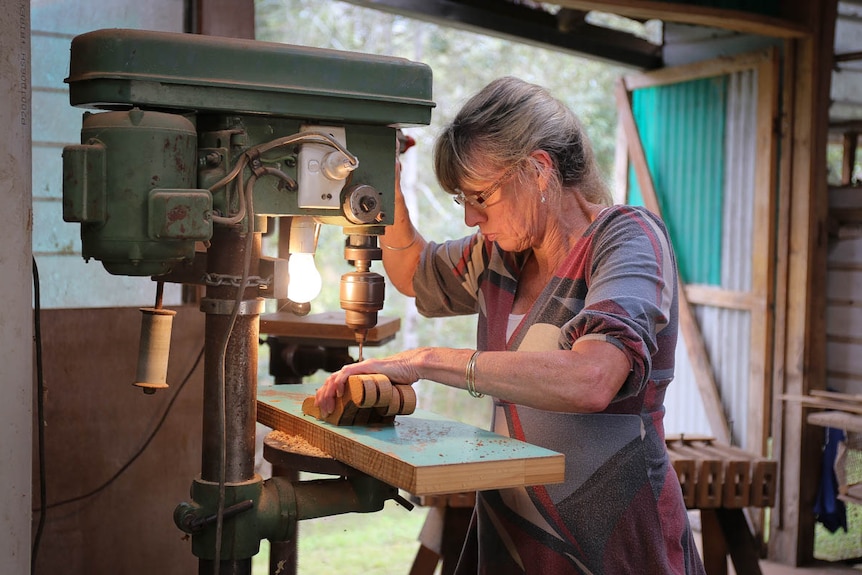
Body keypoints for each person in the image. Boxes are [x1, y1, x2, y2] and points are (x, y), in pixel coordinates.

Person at [315, 76, 706, 575]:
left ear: (539, 170)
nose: (472, 218)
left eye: (481, 196)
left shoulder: (625, 237)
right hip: (513, 531)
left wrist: (427, 361)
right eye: (463, 200)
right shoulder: (501, 255)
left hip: (613, 538)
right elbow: (414, 272)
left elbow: (594, 379)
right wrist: (385, 181)